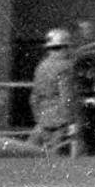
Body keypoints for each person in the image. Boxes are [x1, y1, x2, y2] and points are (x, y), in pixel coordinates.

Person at [27, 27, 82, 155]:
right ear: (64, 47)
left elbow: (34, 98)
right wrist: (72, 121)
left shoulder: (41, 67)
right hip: (61, 121)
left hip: (43, 119)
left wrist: (39, 117)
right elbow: (66, 97)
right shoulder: (66, 67)